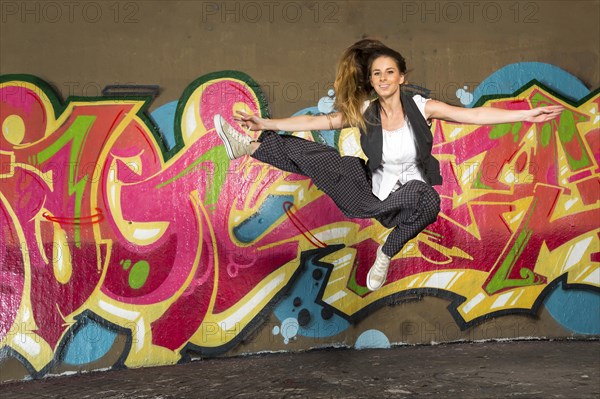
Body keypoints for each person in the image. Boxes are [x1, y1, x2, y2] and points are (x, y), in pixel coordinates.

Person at [213, 39, 563, 291]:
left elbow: (471, 115)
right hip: (369, 192)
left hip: (408, 197)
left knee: (429, 199)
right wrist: (267, 124)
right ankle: (251, 145)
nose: (382, 78)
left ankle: (386, 253)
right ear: (372, 79)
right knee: (325, 159)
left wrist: (528, 114)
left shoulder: (422, 107)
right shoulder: (367, 111)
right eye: (377, 73)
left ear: (401, 77)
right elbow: (322, 123)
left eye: (389, 72)